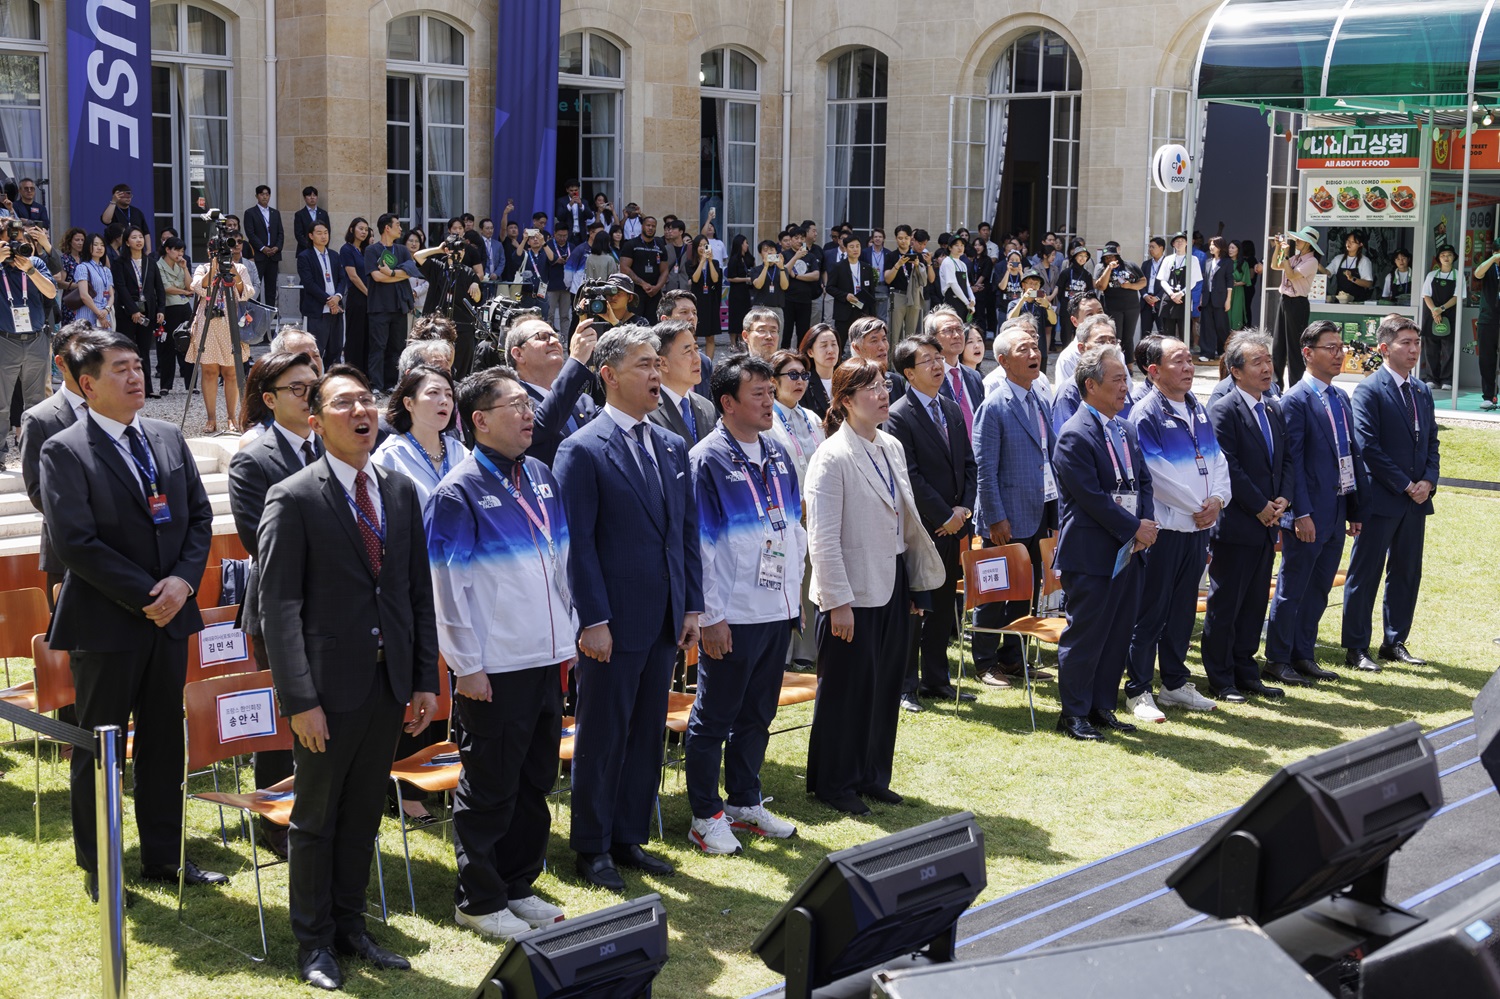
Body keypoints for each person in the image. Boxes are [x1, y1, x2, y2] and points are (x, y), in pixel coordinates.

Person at [257, 365, 439, 989]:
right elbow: (277, 609)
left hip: (388, 687)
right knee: (317, 818)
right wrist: (299, 699)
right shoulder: (294, 496)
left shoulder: (397, 490)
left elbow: (417, 593)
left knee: (363, 813)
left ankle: (351, 926)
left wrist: (423, 679)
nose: (362, 412)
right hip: (327, 693)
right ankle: (313, 944)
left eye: (367, 401)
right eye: (344, 404)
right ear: (315, 421)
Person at [39, 330, 223, 902]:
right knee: (102, 748)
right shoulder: (65, 449)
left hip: (169, 620)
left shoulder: (167, 436)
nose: (135, 376)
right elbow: (76, 543)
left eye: (138, 366)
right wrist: (150, 593)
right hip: (108, 622)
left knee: (166, 741)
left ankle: (165, 859)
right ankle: (102, 865)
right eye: (120, 369)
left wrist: (184, 583)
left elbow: (198, 519)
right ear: (88, 384)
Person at [424, 367, 572, 939]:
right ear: (479, 420)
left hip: (546, 655)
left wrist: (571, 635)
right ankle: (479, 899)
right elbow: (447, 589)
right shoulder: (457, 491)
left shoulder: (538, 474)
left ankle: (516, 883)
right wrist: (467, 666)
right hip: (494, 666)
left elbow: (560, 565)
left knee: (535, 780)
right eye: (514, 405)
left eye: (528, 404)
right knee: (489, 785)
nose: (528, 413)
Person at [554, 327, 702, 891]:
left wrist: (690, 607)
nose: (656, 375)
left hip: (663, 617)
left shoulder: (668, 444)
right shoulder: (583, 449)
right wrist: (592, 619)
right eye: (644, 365)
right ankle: (591, 847)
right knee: (604, 735)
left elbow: (683, 531)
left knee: (646, 734)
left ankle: (628, 836)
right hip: (612, 624)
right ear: (609, 375)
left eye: (658, 365)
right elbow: (578, 544)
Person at [803, 358, 943, 812]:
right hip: (852, 591)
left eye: (884, 385)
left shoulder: (890, 445)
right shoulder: (831, 456)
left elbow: (904, 520)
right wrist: (837, 601)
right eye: (870, 388)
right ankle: (834, 782)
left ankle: (871, 774)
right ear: (845, 401)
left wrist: (916, 586)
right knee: (847, 690)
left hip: (893, 580)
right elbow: (822, 538)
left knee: (883, 686)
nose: (883, 394)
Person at [684, 355, 805, 854]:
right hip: (732, 613)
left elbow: (792, 529)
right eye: (757, 393)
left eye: (769, 391)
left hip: (776, 609)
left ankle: (744, 800)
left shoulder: (778, 452)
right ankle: (704, 814)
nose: (768, 401)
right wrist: (711, 616)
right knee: (714, 717)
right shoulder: (707, 459)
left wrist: (793, 600)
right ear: (727, 402)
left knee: (758, 714)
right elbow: (702, 546)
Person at [227, 350, 321, 857]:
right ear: (269, 399)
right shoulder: (254, 458)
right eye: (297, 388)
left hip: (335, 612)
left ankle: (322, 809)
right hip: (280, 611)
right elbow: (255, 539)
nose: (310, 395)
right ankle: (277, 824)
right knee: (283, 722)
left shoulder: (332, 448)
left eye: (314, 385)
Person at [1051, 345, 1158, 741]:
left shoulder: (1125, 427)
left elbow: (1143, 481)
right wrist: (1135, 528)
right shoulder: (1074, 434)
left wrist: (1143, 525)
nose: (1125, 388)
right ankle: (1073, 713)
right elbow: (1090, 497)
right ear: (1091, 385)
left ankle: (1101, 707)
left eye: (1125, 380)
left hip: (1129, 550)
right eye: (1116, 380)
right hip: (1093, 553)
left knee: (1117, 632)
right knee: (1087, 634)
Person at [1121, 337, 1228, 722]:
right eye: (1178, 361)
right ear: (1154, 371)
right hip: (1165, 531)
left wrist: (1217, 500)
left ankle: (1175, 682)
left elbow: (1217, 460)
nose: (1188, 367)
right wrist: (1198, 507)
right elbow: (1155, 473)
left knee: (1183, 610)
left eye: (1189, 360)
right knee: (1150, 612)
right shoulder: (1145, 413)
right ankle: (1137, 689)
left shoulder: (1197, 406)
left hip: (1197, 530)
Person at [1265, 320, 1365, 686]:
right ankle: (1277, 658)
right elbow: (1292, 465)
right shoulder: (1294, 401)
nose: (1339, 354)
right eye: (1331, 347)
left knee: (1320, 585)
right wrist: (1299, 514)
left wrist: (1354, 509)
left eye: (1341, 346)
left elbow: (1349, 456)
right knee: (1293, 586)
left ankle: (1302, 653)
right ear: (1307, 353)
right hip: (1308, 512)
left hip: (1337, 506)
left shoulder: (1340, 398)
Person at [1341, 315, 1439, 671]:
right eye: (1406, 343)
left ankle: (1394, 641)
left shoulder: (1422, 391)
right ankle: (1356, 647)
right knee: (1365, 573)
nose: (1414, 349)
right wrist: (1405, 484)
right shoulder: (1369, 390)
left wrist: (1428, 480)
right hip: (1381, 500)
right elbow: (1368, 446)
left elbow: (1431, 442)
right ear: (1384, 348)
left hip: (1416, 502)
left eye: (1417, 342)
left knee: (1407, 571)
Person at [885, 334, 976, 712]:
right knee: (916, 606)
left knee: (942, 605)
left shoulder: (952, 409)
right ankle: (905, 685)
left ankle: (937, 678)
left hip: (954, 526)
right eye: (928, 360)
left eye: (939, 358)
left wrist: (964, 511)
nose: (938, 365)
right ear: (909, 372)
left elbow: (970, 466)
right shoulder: (898, 415)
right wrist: (944, 515)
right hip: (923, 528)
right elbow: (911, 476)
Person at [1203, 330, 1292, 702]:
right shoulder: (1223, 410)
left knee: (1255, 602)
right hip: (1238, 523)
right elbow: (1229, 467)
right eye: (1257, 362)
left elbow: (1285, 459)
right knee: (1227, 605)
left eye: (1268, 360)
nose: (1267, 368)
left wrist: (1283, 498)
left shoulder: (1272, 406)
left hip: (1267, 524)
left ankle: (1246, 671)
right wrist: (1259, 506)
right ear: (1235, 372)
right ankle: (1221, 678)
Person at [970, 326, 1057, 688]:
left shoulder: (1037, 395)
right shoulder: (994, 405)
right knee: (994, 593)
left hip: (1037, 510)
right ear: (1003, 361)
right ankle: (985, 662)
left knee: (1026, 590)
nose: (1034, 354)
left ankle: (1014, 658)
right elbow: (985, 469)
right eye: (1024, 349)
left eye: (1035, 347)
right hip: (1004, 517)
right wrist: (995, 517)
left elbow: (1046, 457)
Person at [22, 324, 92, 607]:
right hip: (68, 550)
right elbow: (39, 490)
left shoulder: (115, 408)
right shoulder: (39, 419)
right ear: (60, 362)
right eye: (82, 354)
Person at [509, 314, 598, 466]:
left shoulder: (582, 401)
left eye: (556, 336)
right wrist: (576, 361)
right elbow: (541, 426)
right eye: (543, 337)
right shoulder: (511, 400)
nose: (554, 341)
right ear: (518, 354)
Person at [373, 363, 468, 506]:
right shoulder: (389, 456)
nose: (444, 401)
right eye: (433, 392)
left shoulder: (460, 452)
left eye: (449, 394)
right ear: (409, 403)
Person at [189, 247, 255, 434]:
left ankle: (232, 417)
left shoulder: (240, 268)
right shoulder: (203, 268)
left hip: (232, 323)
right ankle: (211, 418)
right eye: (216, 252)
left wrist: (234, 273)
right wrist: (214, 268)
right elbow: (197, 288)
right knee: (209, 371)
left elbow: (247, 292)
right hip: (208, 323)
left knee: (232, 373)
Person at [0, 234, 58, 441]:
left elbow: (51, 292)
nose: (17, 248)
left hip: (36, 339)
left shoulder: (35, 264)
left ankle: (34, 453)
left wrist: (30, 270)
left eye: (21, 243)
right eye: (11, 244)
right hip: (5, 341)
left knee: (37, 403)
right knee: (1, 405)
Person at [364, 214, 417, 393]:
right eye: (397, 225)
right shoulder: (372, 250)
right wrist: (398, 273)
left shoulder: (402, 250)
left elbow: (410, 272)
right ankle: (376, 385)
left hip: (399, 306)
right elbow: (376, 276)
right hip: (379, 307)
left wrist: (391, 273)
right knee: (378, 347)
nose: (401, 228)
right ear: (387, 228)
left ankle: (392, 384)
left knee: (397, 347)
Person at [648, 320, 716, 446]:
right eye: (688, 351)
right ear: (662, 363)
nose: (697, 359)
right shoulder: (646, 411)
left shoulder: (707, 407)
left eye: (696, 349)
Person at [1269, 227, 1321, 386]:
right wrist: (1278, 247)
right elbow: (1275, 265)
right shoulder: (1295, 258)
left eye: (1300, 239)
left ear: (1308, 244)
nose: (1296, 241)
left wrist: (1284, 254)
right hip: (1285, 300)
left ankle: (1296, 386)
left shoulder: (1311, 261)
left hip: (1298, 303)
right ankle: (1276, 386)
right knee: (1278, 345)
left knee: (1295, 348)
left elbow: (1291, 275)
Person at [297, 221, 346, 366]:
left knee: (335, 350)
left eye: (326, 232)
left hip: (336, 309)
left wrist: (337, 297)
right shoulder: (305, 256)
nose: (324, 236)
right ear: (311, 236)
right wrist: (328, 300)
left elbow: (342, 279)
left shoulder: (334, 255)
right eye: (319, 233)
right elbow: (309, 283)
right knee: (316, 350)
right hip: (317, 310)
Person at [1095, 242, 1146, 356]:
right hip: (1113, 307)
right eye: (1106, 257)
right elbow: (1101, 286)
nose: (1109, 259)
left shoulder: (1130, 265)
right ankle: (1115, 360)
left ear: (1117, 256)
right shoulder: (1102, 269)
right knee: (1115, 336)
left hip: (1131, 307)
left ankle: (1129, 365)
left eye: (1111, 256)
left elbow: (1143, 282)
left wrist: (1131, 286)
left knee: (1128, 337)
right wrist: (1109, 268)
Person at [157, 237, 194, 392]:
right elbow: (166, 287)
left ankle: (191, 384)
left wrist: (185, 268)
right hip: (168, 307)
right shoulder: (158, 265)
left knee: (189, 345)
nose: (180, 254)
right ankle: (166, 385)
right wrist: (185, 292)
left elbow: (190, 285)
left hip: (184, 307)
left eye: (182, 251)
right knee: (168, 348)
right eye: (177, 250)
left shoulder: (181, 265)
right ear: (167, 249)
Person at [1420, 243, 1459, 389]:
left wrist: (1441, 309)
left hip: (1449, 314)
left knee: (1448, 349)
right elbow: (1426, 295)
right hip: (1432, 314)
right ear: (1438, 259)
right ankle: (1431, 378)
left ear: (1454, 257)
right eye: (1442, 255)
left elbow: (1457, 297)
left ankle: (1447, 380)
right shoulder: (1431, 275)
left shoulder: (1458, 275)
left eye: (1449, 255)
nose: (1446, 258)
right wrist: (1434, 311)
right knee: (1431, 349)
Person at [886, 226, 934, 344]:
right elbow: (887, 279)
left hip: (914, 295)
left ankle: (908, 361)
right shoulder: (891, 256)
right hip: (898, 295)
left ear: (911, 239)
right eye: (900, 238)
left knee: (911, 334)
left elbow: (927, 280)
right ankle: (891, 362)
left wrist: (920, 265)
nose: (903, 241)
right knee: (894, 333)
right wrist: (898, 265)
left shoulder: (918, 256)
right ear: (896, 239)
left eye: (906, 238)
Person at [1158, 232, 1203, 345]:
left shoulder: (1193, 260)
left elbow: (1193, 281)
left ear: (1187, 243)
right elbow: (1163, 280)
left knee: (1184, 330)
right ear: (1173, 244)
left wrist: (1181, 293)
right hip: (1169, 298)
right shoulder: (1168, 259)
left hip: (1184, 298)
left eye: (1182, 241)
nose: (1179, 243)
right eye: (1176, 241)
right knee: (1168, 333)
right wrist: (1171, 294)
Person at [782, 226, 823, 349]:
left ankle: (802, 359)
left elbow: (816, 275)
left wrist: (796, 276)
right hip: (787, 299)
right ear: (791, 239)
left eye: (802, 238)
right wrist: (796, 257)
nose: (799, 241)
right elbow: (784, 271)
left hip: (805, 299)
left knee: (803, 333)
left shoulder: (810, 256)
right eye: (796, 238)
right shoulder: (784, 255)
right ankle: (783, 358)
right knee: (786, 332)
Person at [340, 218, 372, 372]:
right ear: (352, 229)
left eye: (366, 229)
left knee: (367, 337)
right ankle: (352, 371)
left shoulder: (366, 250)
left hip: (369, 299)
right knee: (355, 337)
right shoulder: (346, 249)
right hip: (357, 297)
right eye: (361, 228)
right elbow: (353, 276)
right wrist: (368, 293)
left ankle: (366, 373)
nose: (364, 232)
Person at [621, 215, 667, 321]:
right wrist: (643, 284)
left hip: (654, 293)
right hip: (635, 292)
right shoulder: (631, 244)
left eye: (653, 226)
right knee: (634, 324)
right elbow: (624, 268)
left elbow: (664, 270)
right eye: (648, 225)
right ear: (642, 226)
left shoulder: (660, 246)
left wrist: (657, 287)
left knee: (654, 325)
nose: (650, 228)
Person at [243, 185, 284, 302]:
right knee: (257, 285)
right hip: (259, 255)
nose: (264, 197)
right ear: (257, 196)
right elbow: (250, 233)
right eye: (262, 194)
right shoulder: (250, 213)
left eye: (267, 194)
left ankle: (270, 314)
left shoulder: (275, 213)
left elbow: (280, 233)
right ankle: (257, 314)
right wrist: (262, 248)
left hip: (273, 255)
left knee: (271, 287)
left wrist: (277, 247)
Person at [1200, 237, 1232, 361]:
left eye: (1214, 245)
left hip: (1220, 298)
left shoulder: (1227, 262)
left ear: (1220, 246)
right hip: (1207, 298)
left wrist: (1228, 299)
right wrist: (1202, 297)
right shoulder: (1208, 261)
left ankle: (1223, 351)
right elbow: (1205, 281)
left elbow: (1230, 281)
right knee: (1206, 326)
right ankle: (1207, 353)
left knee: (1221, 326)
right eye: (1210, 244)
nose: (1211, 247)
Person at [1476, 244, 1500, 410]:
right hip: (1488, 317)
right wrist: (1493, 259)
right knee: (1486, 358)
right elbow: (1478, 273)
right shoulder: (1489, 266)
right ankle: (1488, 396)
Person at [689, 234, 723, 353]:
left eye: (705, 245)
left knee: (710, 336)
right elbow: (695, 279)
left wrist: (709, 261)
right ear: (695, 248)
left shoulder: (715, 262)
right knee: (693, 335)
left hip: (710, 300)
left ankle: (708, 366)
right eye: (700, 245)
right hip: (696, 301)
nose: (703, 248)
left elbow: (715, 279)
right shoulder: (691, 263)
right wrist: (702, 261)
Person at [799, 323, 839, 418]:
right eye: (824, 345)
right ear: (810, 352)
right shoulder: (803, 383)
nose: (830, 350)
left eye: (834, 344)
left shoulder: (847, 381)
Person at [1326, 231, 1375, 304]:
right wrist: (1316, 264)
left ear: (1360, 244)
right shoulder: (1338, 259)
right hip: (1340, 302)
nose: (1349, 243)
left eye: (1353, 242)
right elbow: (1327, 272)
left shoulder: (1364, 261)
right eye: (1348, 240)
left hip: (1358, 302)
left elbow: (1368, 284)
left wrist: (1352, 278)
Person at [749, 239, 789, 328]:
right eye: (765, 250)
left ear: (776, 252)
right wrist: (766, 266)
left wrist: (782, 267)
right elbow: (758, 285)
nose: (769, 253)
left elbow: (785, 286)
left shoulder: (782, 269)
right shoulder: (756, 270)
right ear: (761, 254)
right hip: (760, 308)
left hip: (777, 309)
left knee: (777, 339)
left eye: (772, 250)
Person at [725, 235, 755, 347]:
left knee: (746, 316)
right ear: (740, 244)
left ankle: (744, 341)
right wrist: (746, 279)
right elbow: (730, 277)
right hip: (736, 292)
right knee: (735, 317)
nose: (747, 245)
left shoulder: (749, 258)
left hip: (748, 291)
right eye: (745, 243)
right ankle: (733, 343)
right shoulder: (733, 260)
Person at [937, 234, 976, 321]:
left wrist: (973, 300)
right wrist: (967, 302)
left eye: (962, 245)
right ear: (950, 248)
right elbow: (953, 284)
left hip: (964, 301)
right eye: (956, 245)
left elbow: (967, 285)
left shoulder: (963, 264)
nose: (960, 248)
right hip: (952, 301)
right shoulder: (947, 262)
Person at [292, 186, 331, 255]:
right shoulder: (299, 214)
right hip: (304, 250)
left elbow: (328, 231)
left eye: (314, 195)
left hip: (321, 249)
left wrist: (321, 246)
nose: (312, 198)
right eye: (309, 195)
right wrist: (310, 246)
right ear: (304, 198)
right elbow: (298, 234)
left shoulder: (323, 213)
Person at [1227, 239, 1253, 332]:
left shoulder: (1244, 264)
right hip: (1226, 292)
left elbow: (1246, 281)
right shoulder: (1225, 262)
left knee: (1237, 315)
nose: (1230, 250)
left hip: (1238, 291)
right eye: (1229, 247)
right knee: (1226, 315)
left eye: (1233, 248)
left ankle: (1235, 340)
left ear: (1238, 250)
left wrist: (1235, 283)